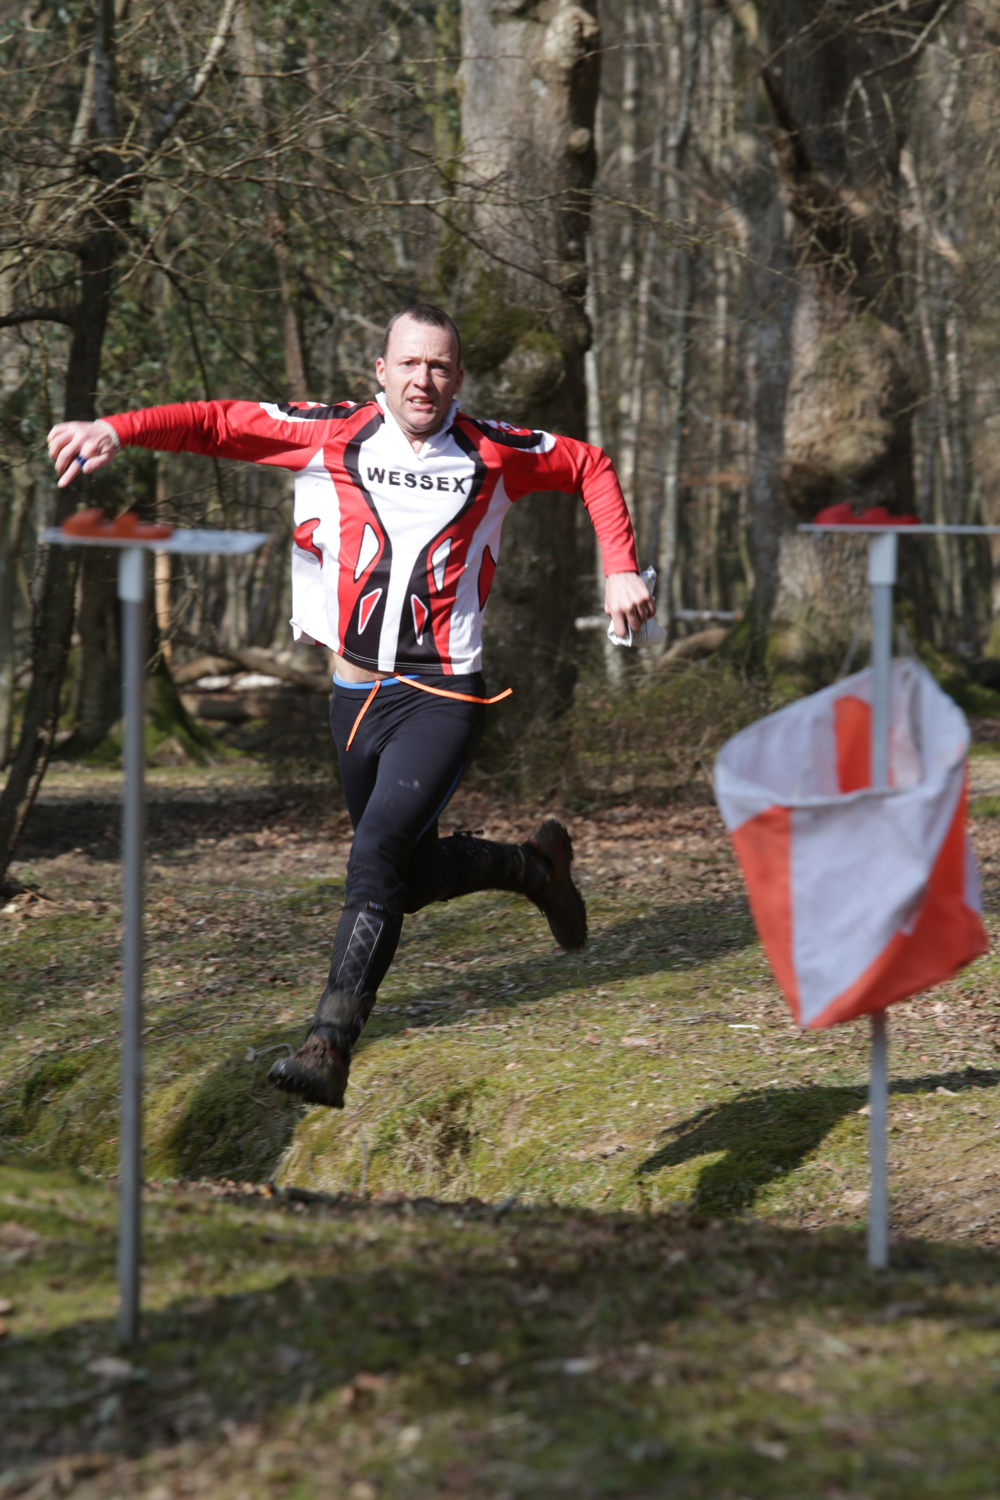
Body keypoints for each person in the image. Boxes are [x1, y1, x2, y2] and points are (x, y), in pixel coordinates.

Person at [48, 302, 653, 1108]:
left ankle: (328, 1043)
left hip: (443, 693)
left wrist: (620, 565)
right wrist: (116, 429)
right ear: (381, 370)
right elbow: (219, 423)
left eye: (439, 366)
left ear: (458, 378)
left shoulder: (492, 451)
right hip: (355, 695)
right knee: (407, 873)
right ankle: (533, 868)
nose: (423, 380)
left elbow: (590, 464)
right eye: (410, 364)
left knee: (374, 858)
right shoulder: (328, 433)